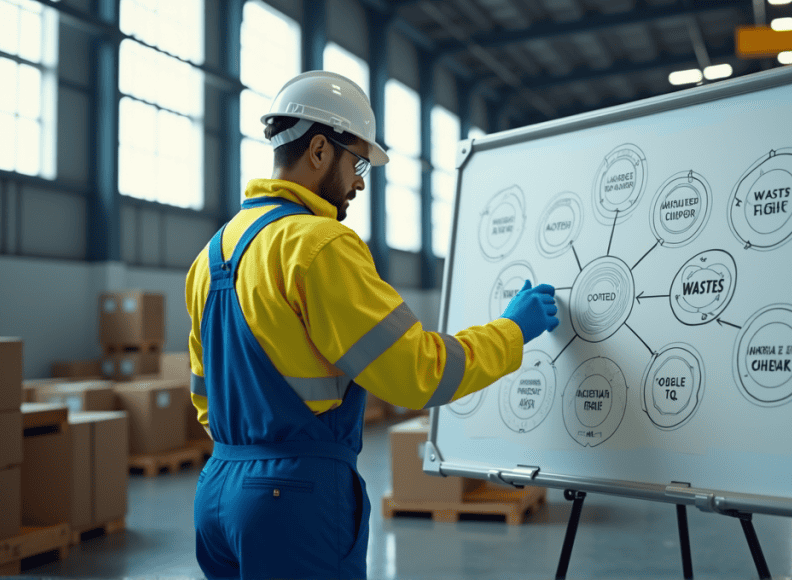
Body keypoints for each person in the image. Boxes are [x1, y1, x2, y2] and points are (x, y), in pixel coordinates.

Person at [185, 70, 560, 580]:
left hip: (217, 492)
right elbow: (416, 372)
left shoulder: (210, 257)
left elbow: (204, 396)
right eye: (357, 161)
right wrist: (512, 331)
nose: (361, 180)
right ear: (319, 150)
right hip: (292, 498)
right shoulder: (319, 246)